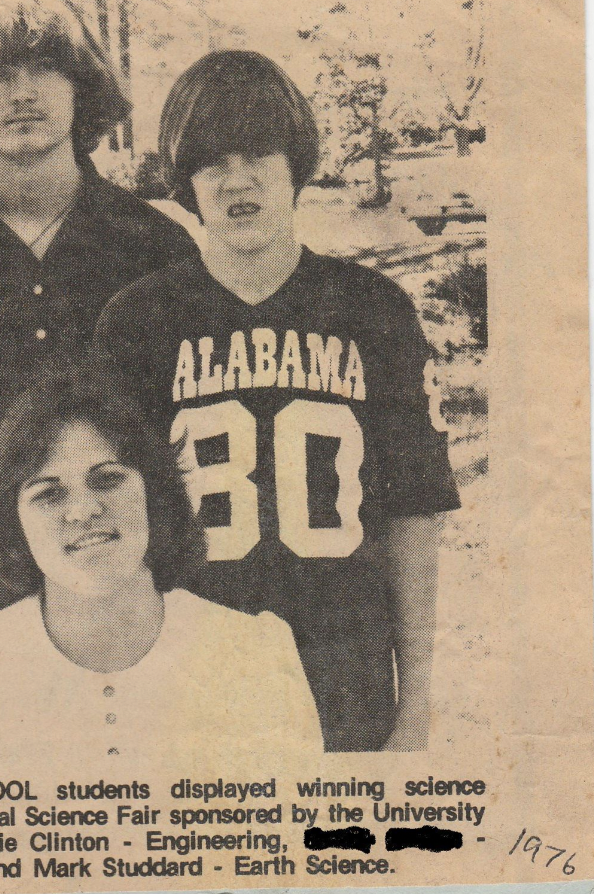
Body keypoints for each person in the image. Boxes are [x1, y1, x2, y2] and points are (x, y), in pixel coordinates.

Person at [93, 51, 461, 752]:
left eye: (258, 151)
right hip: (190, 671)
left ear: (295, 162)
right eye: (211, 161)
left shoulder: (373, 310)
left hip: (342, 671)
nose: (238, 180)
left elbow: (413, 517)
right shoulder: (139, 322)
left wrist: (416, 705)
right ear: (184, 181)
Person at [0, 0, 200, 628]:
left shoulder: (157, 251)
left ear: (81, 83)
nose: (22, 93)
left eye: (44, 66)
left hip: (135, 609)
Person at [0, 370, 323, 770]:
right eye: (48, 495)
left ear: (153, 494)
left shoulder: (255, 653)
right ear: (13, 524)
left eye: (107, 479)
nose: (82, 511)